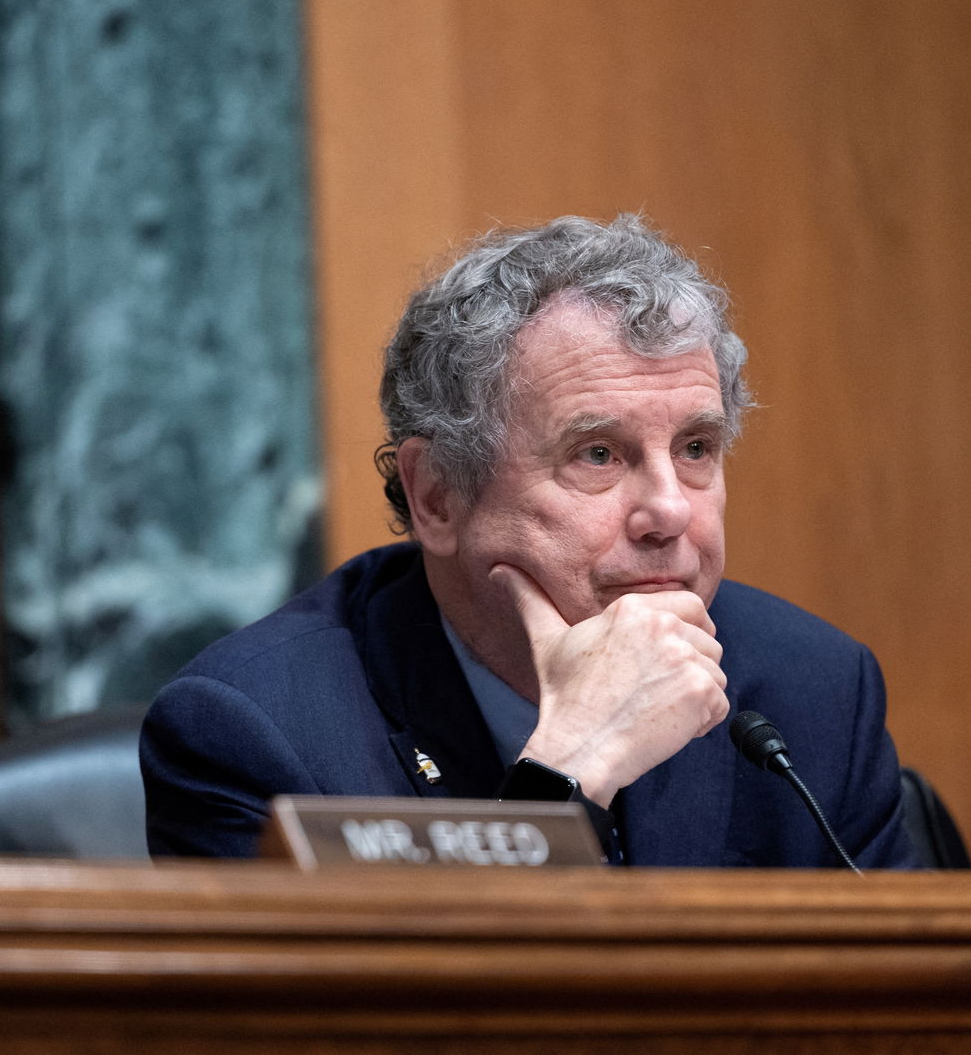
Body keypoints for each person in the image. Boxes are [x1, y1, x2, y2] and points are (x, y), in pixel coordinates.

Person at [140, 214, 918, 867]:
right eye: (599, 455)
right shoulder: (258, 733)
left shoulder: (813, 692)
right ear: (438, 497)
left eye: (696, 449)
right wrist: (571, 769)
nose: (670, 512)